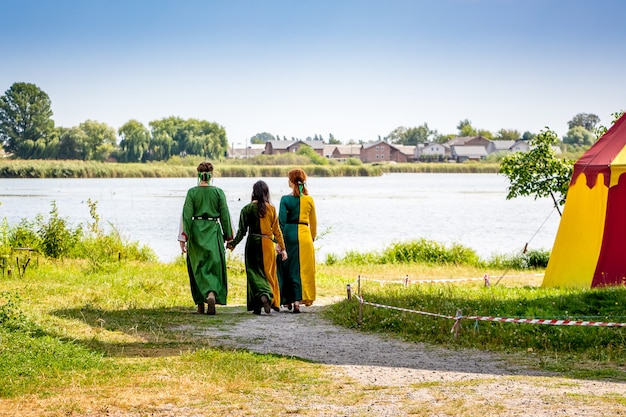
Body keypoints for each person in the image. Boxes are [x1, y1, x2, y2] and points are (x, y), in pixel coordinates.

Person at [179, 161, 233, 315]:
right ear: (211, 175)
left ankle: (200, 304)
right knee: (214, 266)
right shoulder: (218, 192)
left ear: (198, 175)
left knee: (197, 267)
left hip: (196, 232)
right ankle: (211, 294)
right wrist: (229, 237)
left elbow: (186, 216)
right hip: (213, 231)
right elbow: (225, 216)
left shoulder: (192, 192)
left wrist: (184, 237)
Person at [227, 181, 287, 315]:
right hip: (267, 244)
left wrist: (232, 244)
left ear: (253, 192)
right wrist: (282, 248)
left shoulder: (246, 209)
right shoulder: (271, 208)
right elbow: (277, 231)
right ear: (266, 193)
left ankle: (262, 297)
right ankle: (265, 300)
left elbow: (241, 232)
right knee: (268, 274)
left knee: (253, 273)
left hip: (252, 243)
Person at [277, 168, 317, 313]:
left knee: (288, 268)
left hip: (288, 235)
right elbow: (314, 223)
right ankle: (299, 301)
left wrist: (278, 242)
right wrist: (311, 238)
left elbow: (280, 222)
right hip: (305, 235)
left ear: (291, 182)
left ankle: (289, 299)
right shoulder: (309, 199)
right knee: (303, 270)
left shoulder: (285, 199)